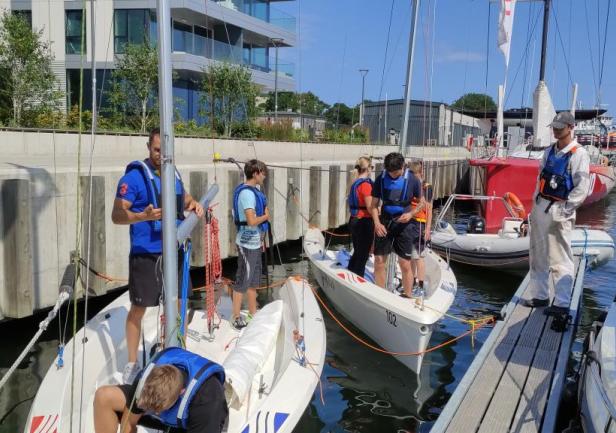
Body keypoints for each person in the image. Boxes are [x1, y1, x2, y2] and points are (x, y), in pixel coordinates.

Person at [112, 128, 204, 383]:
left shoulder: (173, 173)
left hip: (174, 251)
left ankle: (178, 350)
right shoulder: (133, 178)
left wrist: (194, 203)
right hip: (147, 255)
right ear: (148, 147)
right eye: (156, 150)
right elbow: (117, 215)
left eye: (164, 151)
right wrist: (142, 216)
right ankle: (132, 363)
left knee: (179, 303)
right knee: (139, 308)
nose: (160, 155)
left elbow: (184, 198)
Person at [523, 112, 590, 324]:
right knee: (538, 253)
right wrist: (534, 204)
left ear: (571, 127)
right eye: (554, 127)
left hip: (560, 209)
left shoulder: (579, 154)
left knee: (560, 258)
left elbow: (582, 187)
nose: (556, 130)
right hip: (541, 206)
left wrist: (567, 209)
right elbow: (540, 179)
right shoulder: (549, 151)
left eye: (560, 127)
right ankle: (540, 295)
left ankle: (561, 303)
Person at [93, 347, 228, 433]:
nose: (156, 412)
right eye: (150, 408)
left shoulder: (208, 403)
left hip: (192, 424)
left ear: (181, 392)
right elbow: (129, 421)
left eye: (159, 409)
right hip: (168, 418)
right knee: (104, 397)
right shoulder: (145, 382)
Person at [368, 152, 423, 297]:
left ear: (402, 167)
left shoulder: (413, 180)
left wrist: (411, 214)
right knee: (379, 260)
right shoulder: (380, 179)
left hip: (405, 225)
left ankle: (408, 295)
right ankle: (380, 295)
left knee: (405, 263)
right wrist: (377, 223)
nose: (392, 175)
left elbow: (422, 203)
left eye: (395, 172)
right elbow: (373, 206)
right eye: (389, 172)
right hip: (384, 223)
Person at [231, 159, 270, 330]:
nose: (265, 176)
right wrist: (266, 216)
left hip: (255, 243)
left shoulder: (255, 191)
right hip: (246, 244)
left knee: (253, 280)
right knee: (242, 280)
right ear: (255, 173)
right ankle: (235, 316)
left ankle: (253, 312)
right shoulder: (247, 194)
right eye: (263, 173)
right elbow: (252, 221)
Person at [408, 161, 433, 295]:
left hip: (419, 224)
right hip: (410, 222)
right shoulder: (411, 185)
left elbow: (429, 208)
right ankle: (411, 282)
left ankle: (421, 286)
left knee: (418, 256)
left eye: (413, 174)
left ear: (419, 173)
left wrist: (428, 228)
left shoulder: (426, 187)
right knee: (411, 255)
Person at [347, 156, 374, 277]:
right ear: (368, 168)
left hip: (354, 220)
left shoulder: (355, 182)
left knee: (357, 252)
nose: (372, 169)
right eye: (372, 167)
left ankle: (350, 273)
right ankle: (358, 279)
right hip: (364, 222)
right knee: (363, 255)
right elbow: (370, 207)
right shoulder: (366, 185)